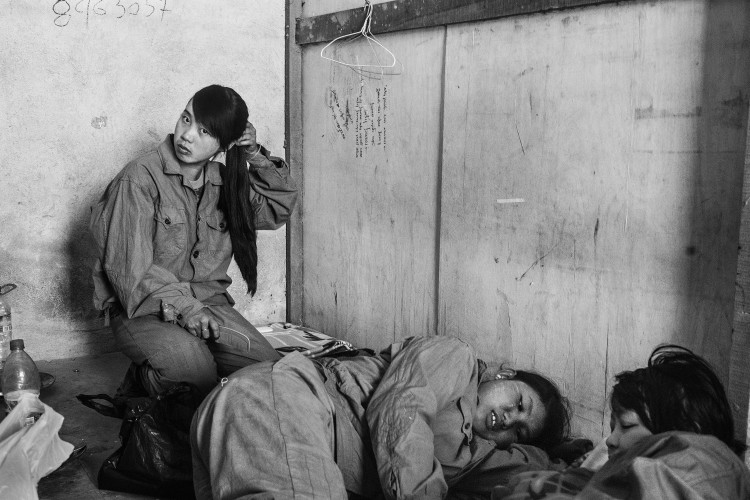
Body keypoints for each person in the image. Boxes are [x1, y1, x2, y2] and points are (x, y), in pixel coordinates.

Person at [89, 84, 298, 398]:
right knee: (197, 375)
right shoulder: (138, 179)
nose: (187, 135)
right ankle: (147, 378)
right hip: (143, 308)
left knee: (273, 375)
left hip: (208, 304)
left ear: (224, 145)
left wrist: (255, 154)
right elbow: (129, 271)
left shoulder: (225, 182)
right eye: (186, 120)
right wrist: (187, 310)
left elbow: (277, 209)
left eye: (203, 131)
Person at [191, 335, 571, 499]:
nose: (506, 419)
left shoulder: (470, 457)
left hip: (268, 441)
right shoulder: (457, 358)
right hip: (285, 403)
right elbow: (401, 410)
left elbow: (538, 474)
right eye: (518, 404)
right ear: (504, 376)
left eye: (518, 431)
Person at [493, 344, 750, 499]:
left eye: (626, 426)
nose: (611, 440)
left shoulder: (693, 468)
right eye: (613, 427)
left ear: (681, 429)